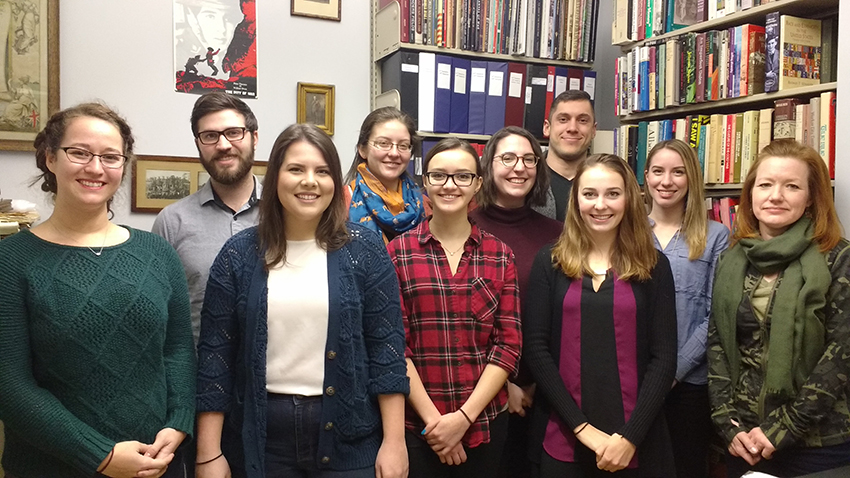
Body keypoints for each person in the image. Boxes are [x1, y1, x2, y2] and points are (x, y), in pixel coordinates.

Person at [195, 123, 410, 478]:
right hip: (261, 441)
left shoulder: (365, 250)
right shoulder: (238, 255)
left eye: (322, 171)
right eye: (296, 169)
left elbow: (386, 351)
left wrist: (394, 441)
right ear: (275, 177)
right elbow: (215, 357)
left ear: (335, 183)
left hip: (350, 438)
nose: (309, 181)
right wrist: (208, 453)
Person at [0, 103, 196, 477]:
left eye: (110, 157)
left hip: (156, 463)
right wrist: (101, 456)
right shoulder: (11, 261)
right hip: (52, 468)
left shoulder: (156, 253)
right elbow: (10, 385)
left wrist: (179, 421)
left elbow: (178, 350)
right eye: (79, 152)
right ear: (50, 158)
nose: (95, 168)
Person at [523, 154, 677, 477]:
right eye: (589, 194)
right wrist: (582, 429)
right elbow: (537, 350)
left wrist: (629, 437)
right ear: (576, 199)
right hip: (564, 436)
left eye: (613, 194)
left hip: (636, 441)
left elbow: (663, 358)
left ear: (628, 199)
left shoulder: (654, 266)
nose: (600, 204)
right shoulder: (548, 262)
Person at [707, 139, 850, 477]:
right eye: (766, 184)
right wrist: (726, 423)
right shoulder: (731, 258)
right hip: (745, 440)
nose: (775, 196)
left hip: (819, 443)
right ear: (751, 193)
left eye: (791, 186)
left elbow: (842, 352)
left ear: (811, 196)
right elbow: (717, 344)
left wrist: (785, 425)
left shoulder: (838, 258)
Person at [387, 138, 522, 478]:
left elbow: (507, 346)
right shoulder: (397, 253)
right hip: (418, 427)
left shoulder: (499, 255)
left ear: (477, 184)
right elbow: (392, 346)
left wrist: (462, 420)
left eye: (462, 176)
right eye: (439, 176)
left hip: (485, 423)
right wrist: (438, 425)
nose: (450, 185)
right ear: (424, 183)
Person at [469, 126, 563, 478]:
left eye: (528, 159)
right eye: (507, 158)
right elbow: (460, 323)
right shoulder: (465, 228)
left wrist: (539, 383)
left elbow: (565, 319)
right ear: (488, 167)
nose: (518, 167)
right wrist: (501, 385)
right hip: (479, 395)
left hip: (548, 394)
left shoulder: (558, 234)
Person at [643, 140, 729, 478]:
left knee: (686, 468)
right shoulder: (627, 232)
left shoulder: (716, 235)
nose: (667, 181)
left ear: (691, 178)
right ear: (646, 177)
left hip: (690, 384)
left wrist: (673, 372)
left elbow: (716, 313)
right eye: (659, 171)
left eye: (678, 172)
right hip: (636, 380)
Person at [153, 92, 261, 345]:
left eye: (234, 132)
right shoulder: (171, 222)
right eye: (210, 136)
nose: (223, 145)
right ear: (198, 143)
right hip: (198, 377)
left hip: (276, 377)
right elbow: (160, 316)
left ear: (254, 137)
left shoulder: (285, 213)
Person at [345, 106, 425, 243]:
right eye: (383, 143)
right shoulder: (340, 203)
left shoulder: (425, 205)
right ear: (362, 150)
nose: (394, 153)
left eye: (403, 145)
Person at [533, 90, 597, 221]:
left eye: (583, 120)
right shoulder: (526, 179)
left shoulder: (607, 181)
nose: (572, 128)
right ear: (547, 127)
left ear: (593, 130)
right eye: (563, 119)